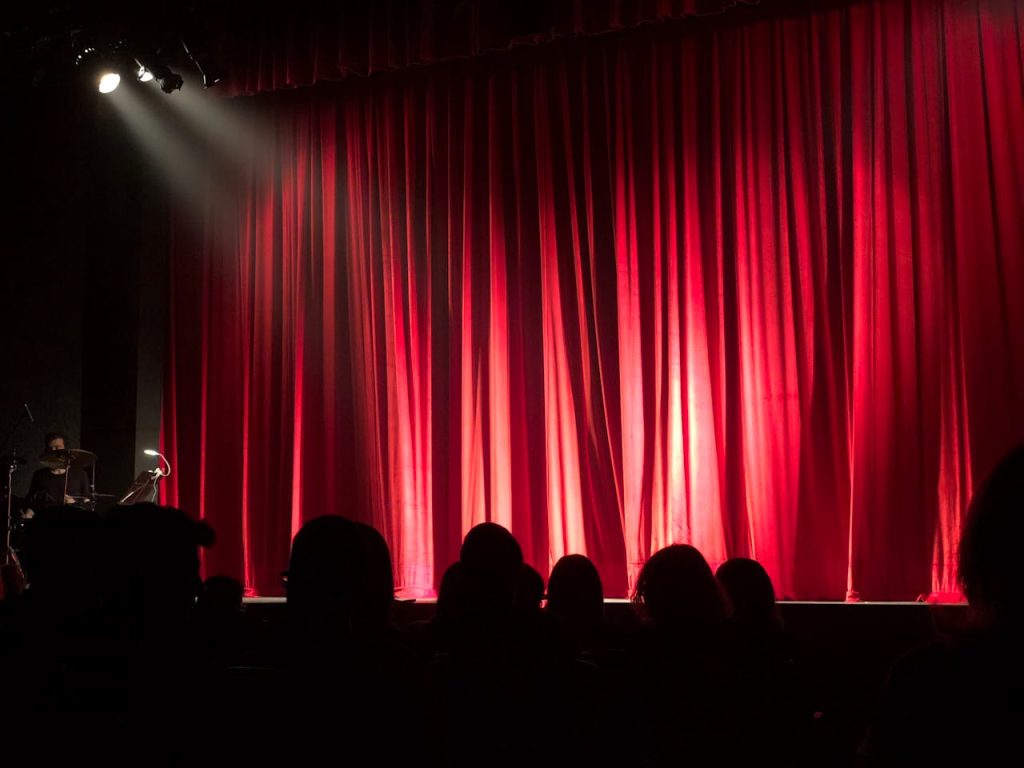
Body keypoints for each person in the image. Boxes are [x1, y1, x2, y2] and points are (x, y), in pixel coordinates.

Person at [26, 432, 89, 510]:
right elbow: (30, 501)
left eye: (57, 447)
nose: (53, 451)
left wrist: (74, 503)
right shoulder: (39, 475)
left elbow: (87, 502)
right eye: (50, 449)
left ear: (66, 450)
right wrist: (29, 510)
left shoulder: (80, 474)